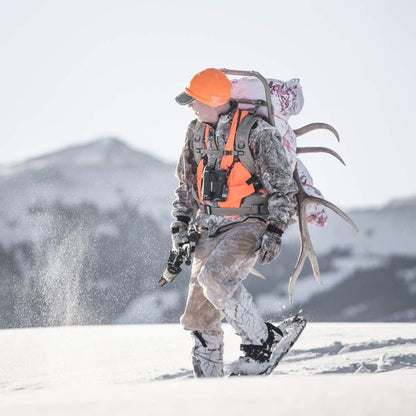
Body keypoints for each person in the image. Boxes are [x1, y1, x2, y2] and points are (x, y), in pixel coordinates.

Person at [171, 68, 298, 377]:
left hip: (250, 223)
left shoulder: (258, 132)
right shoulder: (194, 133)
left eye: (195, 100)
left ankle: (262, 341)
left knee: (214, 278)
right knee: (198, 316)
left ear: (213, 100)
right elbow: (187, 187)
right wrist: (180, 227)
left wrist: (275, 231)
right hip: (208, 227)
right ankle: (210, 387)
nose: (191, 106)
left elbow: (284, 187)